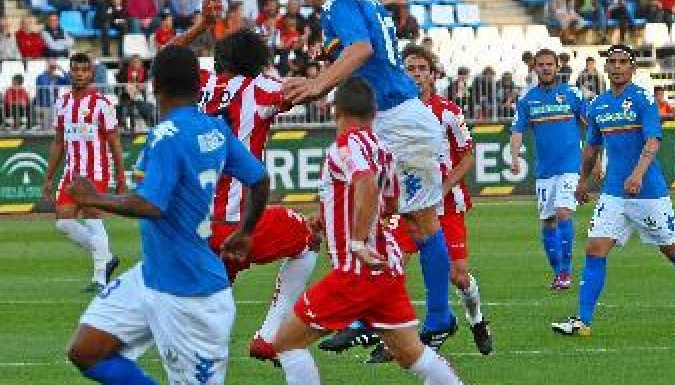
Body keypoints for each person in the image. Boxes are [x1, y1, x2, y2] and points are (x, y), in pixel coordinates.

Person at [281, 0, 459, 349]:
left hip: (398, 120)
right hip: (394, 118)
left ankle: (437, 317)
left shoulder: (336, 1)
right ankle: (369, 316)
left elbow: (361, 49)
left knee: (419, 223)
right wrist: (329, 56)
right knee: (366, 214)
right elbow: (365, 48)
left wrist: (319, 83)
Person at [64, 44, 270, 385]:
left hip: (193, 296)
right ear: (199, 86)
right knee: (85, 350)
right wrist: (247, 230)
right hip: (153, 275)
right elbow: (259, 178)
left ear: (154, 85)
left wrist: (93, 197)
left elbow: (151, 205)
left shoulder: (164, 136)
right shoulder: (216, 129)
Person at [270, 77, 464, 385]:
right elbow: (388, 202)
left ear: (337, 112)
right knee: (412, 355)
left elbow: (366, 184)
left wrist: (357, 241)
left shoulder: (347, 145)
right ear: (375, 113)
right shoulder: (383, 148)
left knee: (285, 343)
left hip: (356, 270)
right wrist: (327, 218)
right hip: (386, 267)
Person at [552, 44, 675, 338]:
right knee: (594, 248)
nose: (616, 67)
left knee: (674, 250)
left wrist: (638, 174)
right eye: (612, 62)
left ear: (632, 68)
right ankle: (583, 321)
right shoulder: (598, 105)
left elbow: (653, 141)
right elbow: (592, 148)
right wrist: (582, 181)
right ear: (606, 68)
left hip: (648, 192)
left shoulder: (643, 100)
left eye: (622, 62)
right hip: (614, 193)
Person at [199, 29, 320, 363]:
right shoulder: (257, 88)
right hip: (235, 223)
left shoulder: (202, 84)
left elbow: (168, 58)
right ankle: (268, 336)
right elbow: (305, 92)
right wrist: (333, 67)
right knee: (310, 238)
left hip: (193, 225)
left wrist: (199, 26)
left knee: (207, 314)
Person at [377, 45, 494, 360]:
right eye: (410, 69)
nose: (416, 75)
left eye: (421, 69)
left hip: (447, 206)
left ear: (432, 74)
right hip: (410, 205)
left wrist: (443, 187)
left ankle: (477, 320)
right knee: (392, 265)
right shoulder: (393, 112)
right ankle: (395, 337)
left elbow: (468, 154)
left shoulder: (448, 112)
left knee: (458, 276)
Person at [42, 53, 126, 293]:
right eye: (75, 70)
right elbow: (59, 141)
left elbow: (114, 142)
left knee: (92, 217)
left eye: (84, 70)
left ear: (91, 73)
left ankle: (100, 278)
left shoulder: (102, 104)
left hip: (95, 171)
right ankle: (106, 256)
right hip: (71, 172)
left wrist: (120, 177)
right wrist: (49, 177)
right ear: (70, 72)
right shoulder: (63, 103)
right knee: (64, 222)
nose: (79, 74)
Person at [508, 48, 587, 290]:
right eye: (541, 64)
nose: (545, 68)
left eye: (549, 64)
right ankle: (558, 272)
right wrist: (514, 157)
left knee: (563, 212)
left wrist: (596, 159)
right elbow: (518, 131)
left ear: (557, 66)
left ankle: (566, 272)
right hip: (545, 171)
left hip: (570, 166)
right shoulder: (527, 100)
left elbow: (589, 124)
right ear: (534, 67)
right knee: (548, 222)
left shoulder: (572, 94)